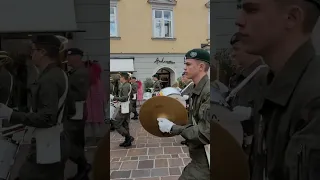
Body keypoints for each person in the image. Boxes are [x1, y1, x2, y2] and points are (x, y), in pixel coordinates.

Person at [236, 0, 320, 180]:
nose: (239, 20)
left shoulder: (314, 97)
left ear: (292, 17)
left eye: (251, 10)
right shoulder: (268, 80)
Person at [0, 35, 70, 180]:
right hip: (53, 139)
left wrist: (11, 114)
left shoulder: (49, 78)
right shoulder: (56, 73)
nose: (31, 54)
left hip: (47, 142)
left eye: (33, 50)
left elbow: (46, 118)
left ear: (43, 52)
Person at [157, 49, 210, 180]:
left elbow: (205, 133)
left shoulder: (209, 92)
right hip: (199, 155)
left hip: (207, 159)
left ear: (201, 66)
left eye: (188, 64)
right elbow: (193, 120)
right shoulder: (196, 89)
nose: (184, 68)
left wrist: (173, 128)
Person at [227, 32, 269, 155]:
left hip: (253, 150)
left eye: (236, 49)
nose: (233, 54)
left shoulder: (265, 75)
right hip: (239, 144)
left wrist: (252, 113)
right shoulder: (239, 75)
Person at [63, 48, 91, 180]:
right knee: (76, 142)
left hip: (76, 109)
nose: (67, 59)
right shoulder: (75, 71)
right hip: (75, 109)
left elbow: (79, 94)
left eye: (70, 57)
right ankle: (82, 173)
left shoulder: (80, 73)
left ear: (77, 57)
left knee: (70, 142)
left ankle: (84, 166)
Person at [110, 72, 134, 147]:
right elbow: (131, 95)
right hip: (127, 106)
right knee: (125, 124)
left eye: (120, 77)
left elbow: (124, 98)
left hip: (124, 107)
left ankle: (128, 137)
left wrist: (114, 98)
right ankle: (127, 141)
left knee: (115, 122)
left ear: (123, 78)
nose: (119, 78)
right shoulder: (128, 85)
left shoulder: (124, 86)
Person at [85, 61, 106, 144]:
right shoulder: (98, 81)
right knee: (95, 123)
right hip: (96, 105)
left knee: (91, 123)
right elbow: (102, 95)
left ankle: (94, 139)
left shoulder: (92, 81)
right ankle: (96, 139)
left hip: (91, 105)